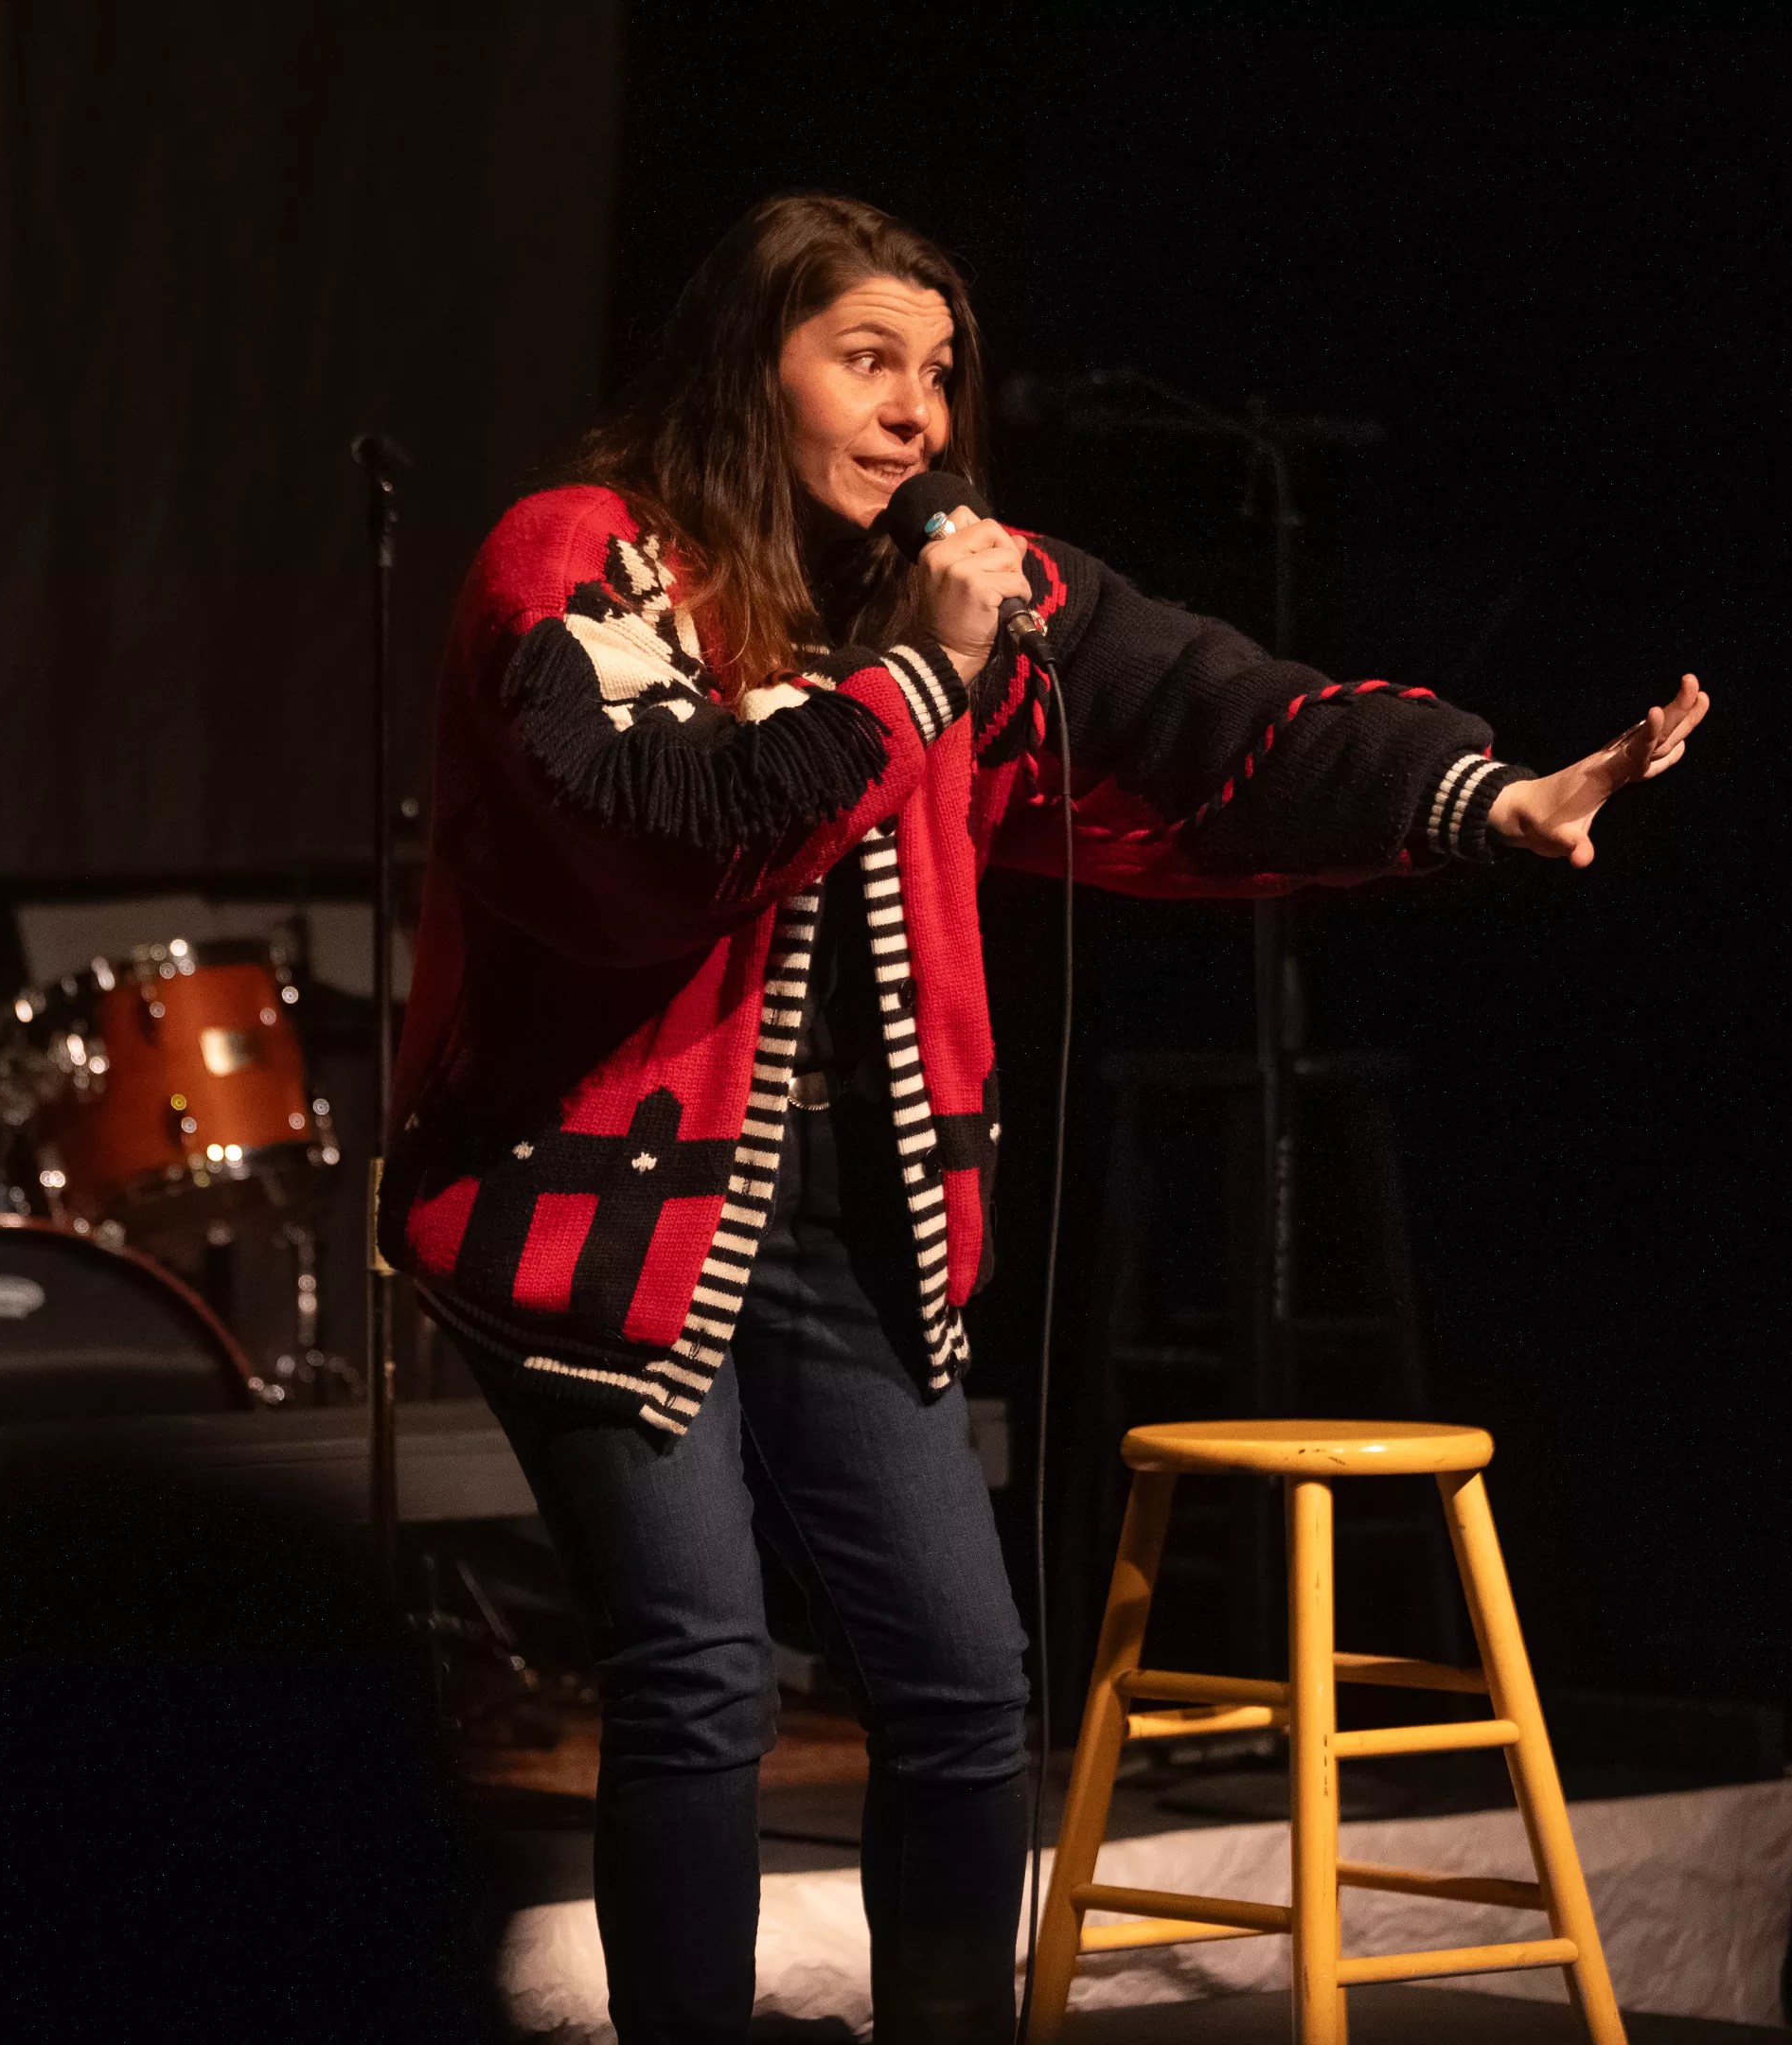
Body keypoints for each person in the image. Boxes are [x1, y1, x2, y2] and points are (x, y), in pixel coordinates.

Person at [379, 192, 1708, 2044]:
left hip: (854, 1222)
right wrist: (917, 674)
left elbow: (1203, 708)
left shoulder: (958, 592)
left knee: (965, 1683)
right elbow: (661, 825)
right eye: (866, 359)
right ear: (741, 371)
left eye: (940, 369)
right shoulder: (588, 558)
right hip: (593, 1212)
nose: (921, 410)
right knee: (694, 1676)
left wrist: (1483, 793)